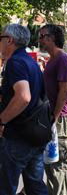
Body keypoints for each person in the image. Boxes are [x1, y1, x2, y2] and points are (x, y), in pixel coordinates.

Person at [0, 24, 48, 194]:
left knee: (6, 187)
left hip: (19, 136)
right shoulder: (31, 62)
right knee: (35, 185)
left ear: (10, 40)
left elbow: (23, 97)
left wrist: (2, 120)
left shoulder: (16, 62)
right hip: (35, 134)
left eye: (1, 38)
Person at [39, 24, 67, 195]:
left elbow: (64, 90)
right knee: (52, 165)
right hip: (52, 118)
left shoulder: (62, 58)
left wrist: (54, 116)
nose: (40, 40)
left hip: (58, 120)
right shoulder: (52, 60)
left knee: (57, 166)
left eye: (42, 36)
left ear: (51, 38)